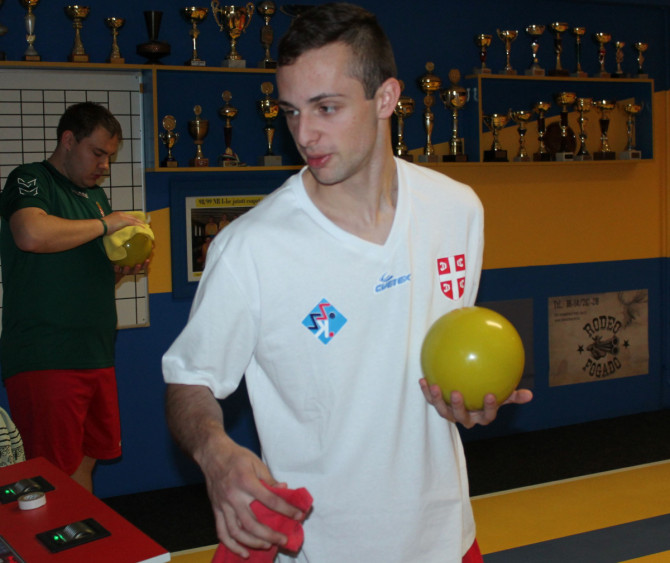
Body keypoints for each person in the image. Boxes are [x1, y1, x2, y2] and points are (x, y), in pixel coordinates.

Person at [162, 4, 532, 561]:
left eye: (326, 107)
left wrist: (467, 401)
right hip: (320, 545)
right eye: (290, 111)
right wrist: (215, 452)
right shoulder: (250, 248)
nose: (304, 133)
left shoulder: (457, 210)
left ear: (385, 98)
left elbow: (433, 360)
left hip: (444, 536)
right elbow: (189, 381)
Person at [0, 101, 149, 493]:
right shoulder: (30, 179)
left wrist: (119, 268)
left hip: (94, 352)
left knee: (85, 460)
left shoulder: (94, 197)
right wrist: (105, 224)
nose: (104, 165)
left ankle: (82, 533)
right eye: (97, 153)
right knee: (51, 472)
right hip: (46, 353)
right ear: (68, 140)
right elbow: (30, 234)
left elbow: (81, 272)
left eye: (110, 156)